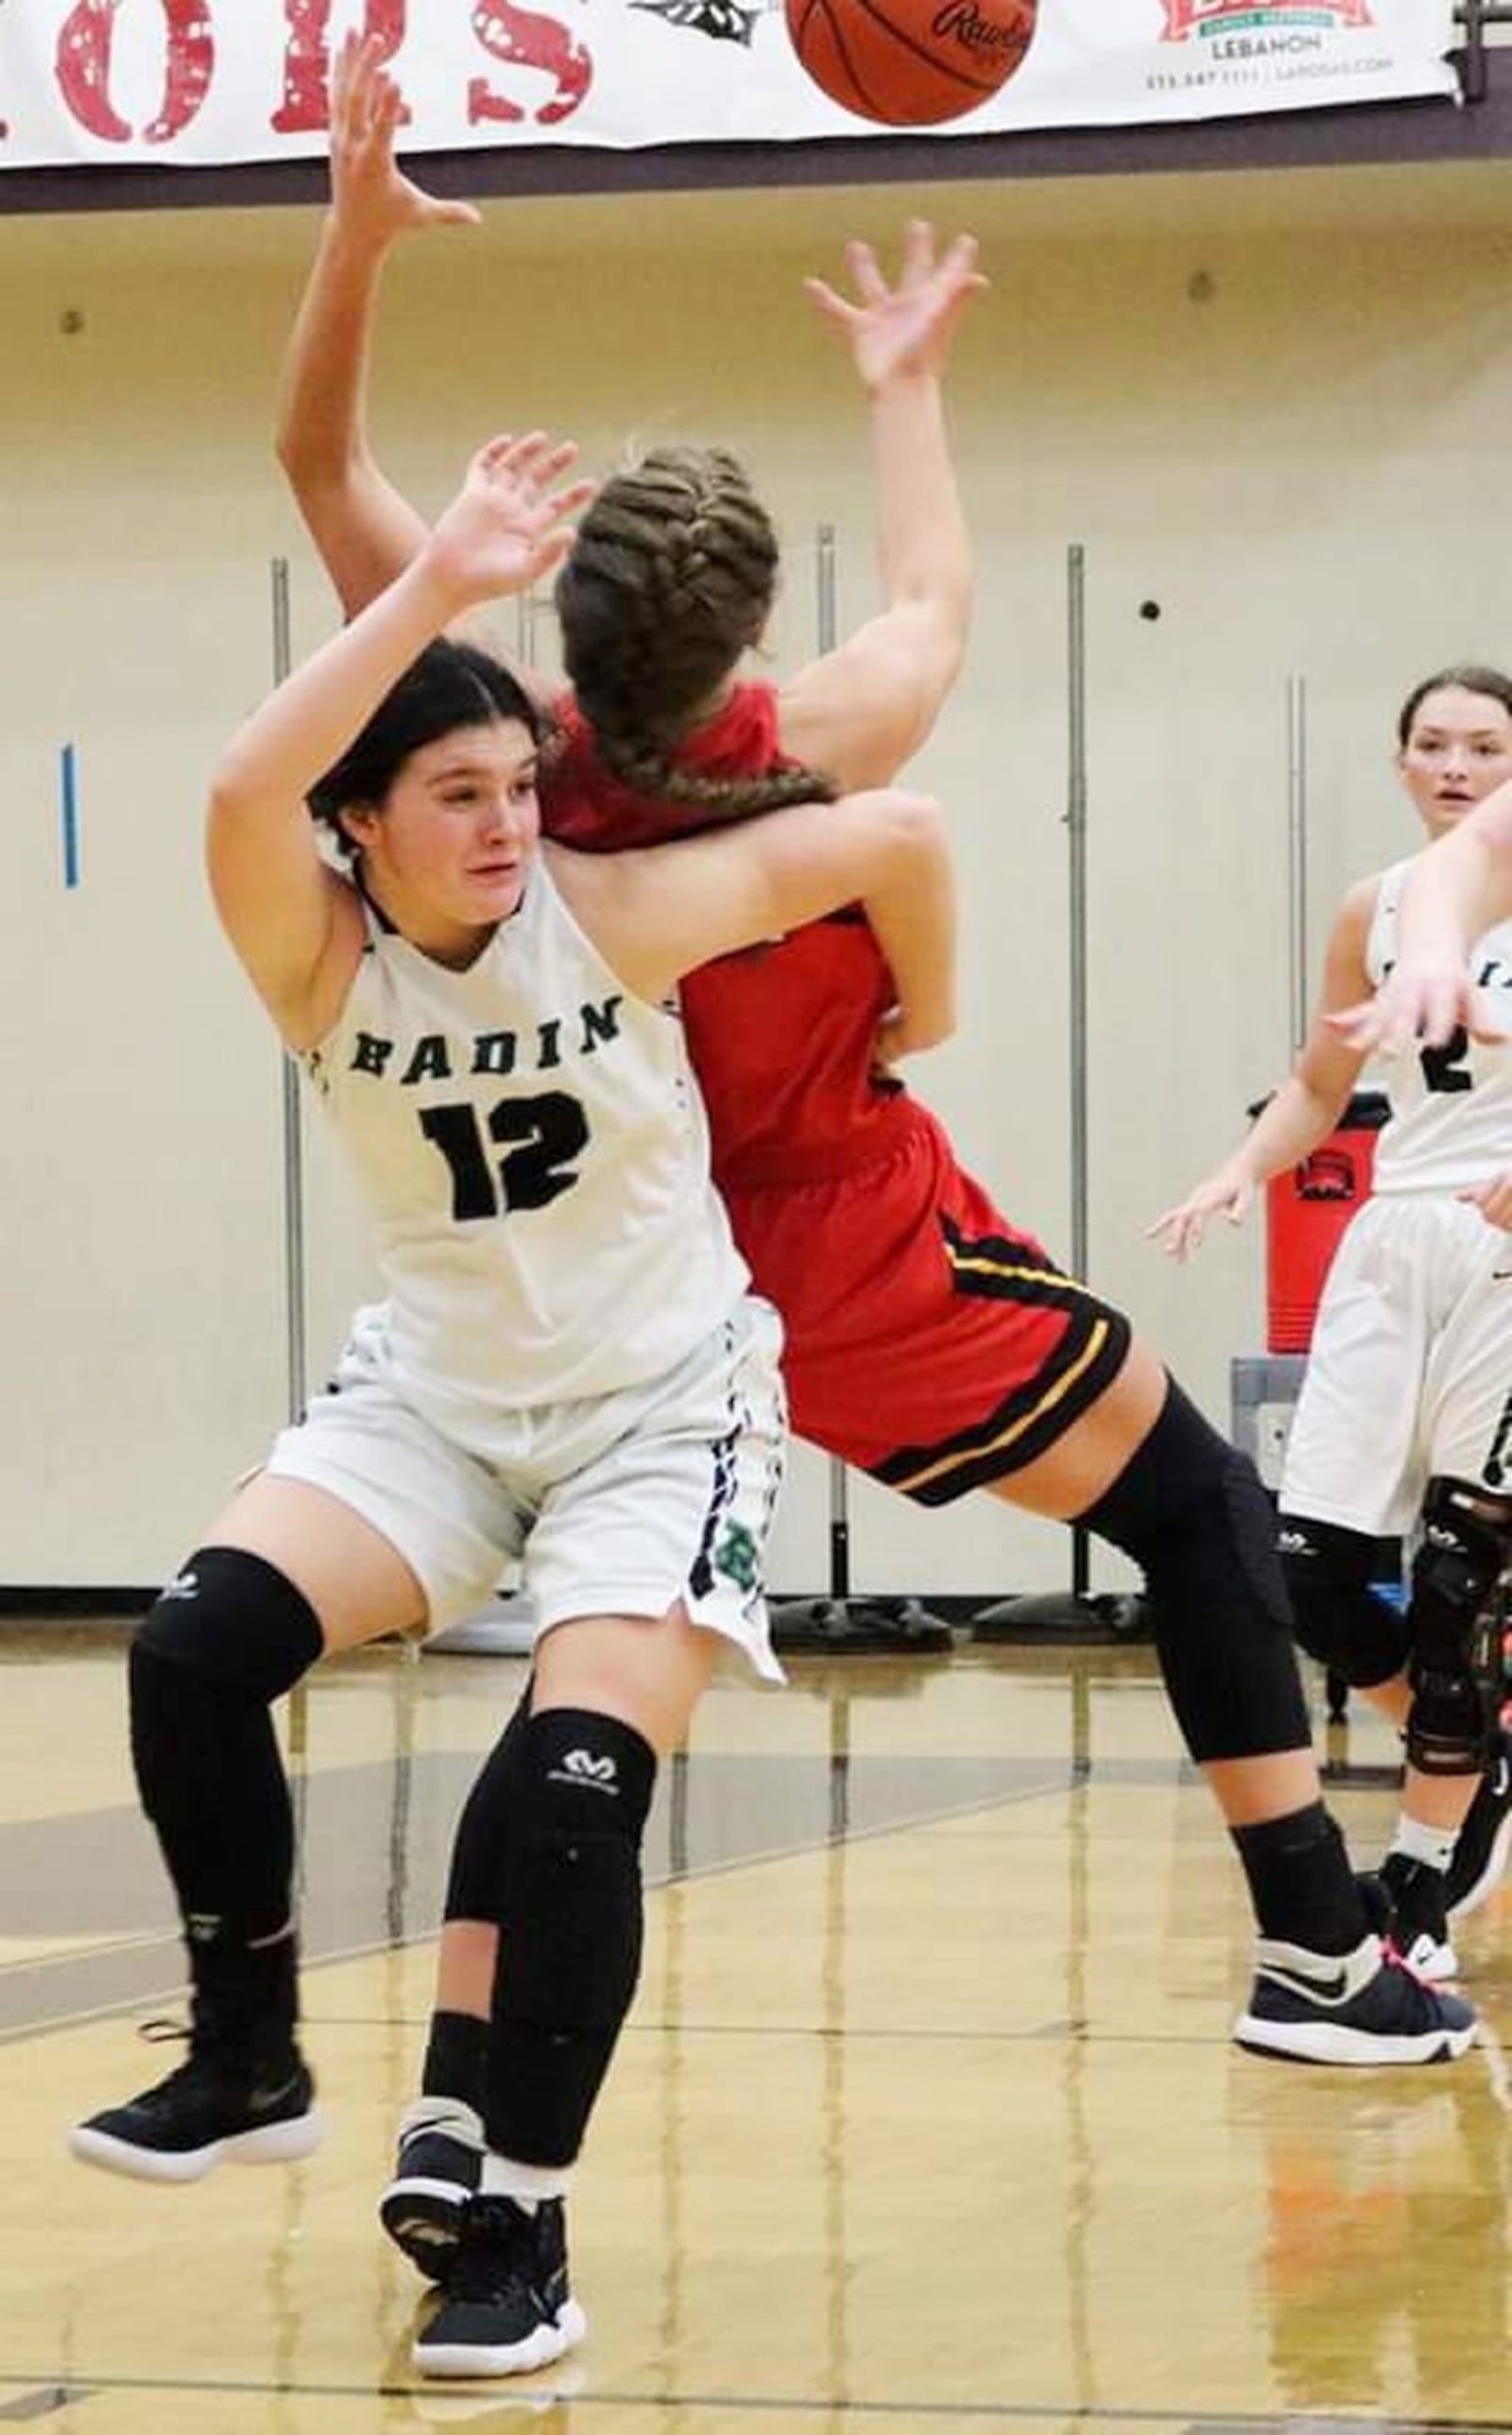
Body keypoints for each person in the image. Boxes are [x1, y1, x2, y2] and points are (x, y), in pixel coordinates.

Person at [275, 33, 1478, 2304]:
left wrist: (348, 251)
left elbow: (319, 460)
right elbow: (927, 610)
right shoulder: (820, 756)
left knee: (580, 1688)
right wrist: (902, 376)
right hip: (841, 1252)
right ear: (736, 639)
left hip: (623, 1272)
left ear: (560, 634)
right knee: (1196, 1510)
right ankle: (1315, 1947)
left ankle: (455, 2077)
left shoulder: (493, 762)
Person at [66, 426, 957, 2384]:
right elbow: (237, 777)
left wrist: (919, 1017)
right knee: (192, 1653)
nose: (498, 824)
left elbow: (893, 837)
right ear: (359, 827)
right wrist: (441, 585)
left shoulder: (604, 914)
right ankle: (247, 2054)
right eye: (451, 796)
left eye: (512, 788)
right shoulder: (313, 959)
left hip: (662, 1404)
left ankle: (520, 2231)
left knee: (562, 1798)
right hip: (441, 1405)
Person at [1152, 666, 1512, 1979]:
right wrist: (1235, 1170)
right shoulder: (1378, 906)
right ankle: (1475, 1751)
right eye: (1434, 743)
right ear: (1402, 762)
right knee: (1305, 1572)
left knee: (1467, 1584)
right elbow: (1320, 1081)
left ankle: (1422, 1875)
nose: (1458, 764)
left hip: (1503, 1256)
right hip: (1388, 1244)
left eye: (1486, 744)